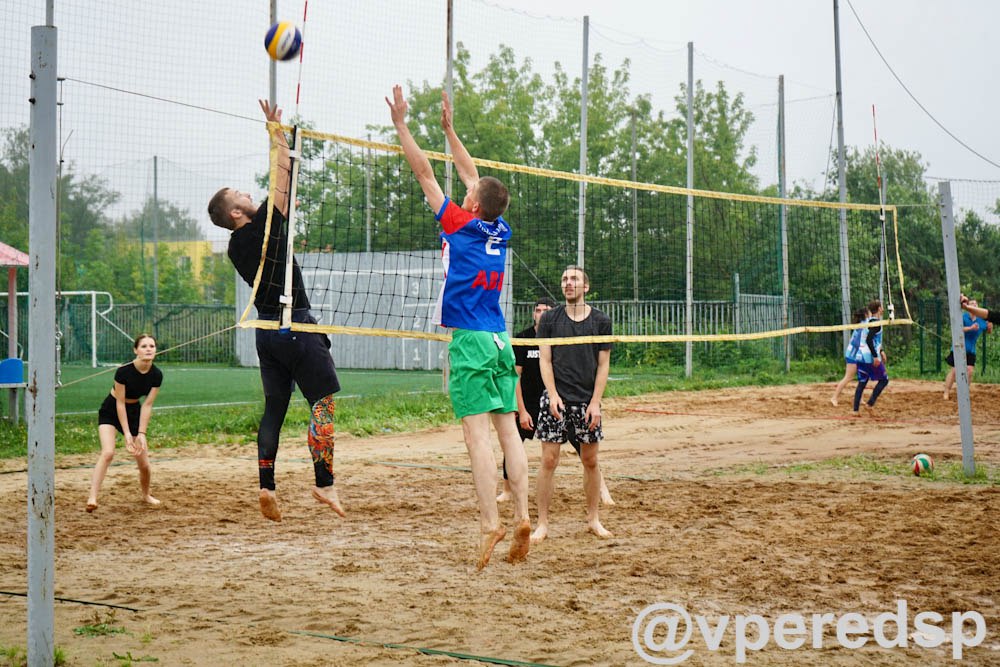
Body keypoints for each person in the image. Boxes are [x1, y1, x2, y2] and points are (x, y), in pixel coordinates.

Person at [387, 85, 531, 568]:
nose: (466, 189)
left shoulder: (458, 223)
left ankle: (491, 523)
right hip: (500, 337)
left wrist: (402, 125)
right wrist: (449, 131)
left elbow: (424, 173)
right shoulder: (499, 228)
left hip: (470, 339)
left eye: (469, 193)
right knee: (508, 432)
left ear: (472, 205)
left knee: (476, 438)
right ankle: (523, 515)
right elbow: (474, 176)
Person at [208, 99, 343, 522]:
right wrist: (276, 132)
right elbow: (284, 175)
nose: (249, 194)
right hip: (296, 325)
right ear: (236, 212)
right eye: (241, 195)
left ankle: (266, 486)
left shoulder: (234, 247)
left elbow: (281, 186)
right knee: (321, 404)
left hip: (266, 333)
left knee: (274, 411)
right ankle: (324, 483)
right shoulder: (264, 224)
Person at [531, 265, 614, 544]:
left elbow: (603, 365)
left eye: (574, 279)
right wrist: (552, 394)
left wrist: (595, 402)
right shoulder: (550, 319)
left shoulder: (601, 320)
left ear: (585, 287)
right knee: (548, 460)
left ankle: (593, 520)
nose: (568, 283)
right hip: (557, 399)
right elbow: (545, 360)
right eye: (564, 279)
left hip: (587, 401)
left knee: (590, 460)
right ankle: (542, 524)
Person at [86, 333, 163, 512]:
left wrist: (141, 433)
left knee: (144, 463)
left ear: (156, 350)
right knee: (108, 453)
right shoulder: (123, 371)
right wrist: (127, 434)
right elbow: (120, 403)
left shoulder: (157, 375)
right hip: (112, 409)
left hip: (134, 411)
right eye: (144, 346)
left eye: (151, 346)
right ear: (136, 350)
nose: (148, 349)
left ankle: (146, 495)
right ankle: (92, 497)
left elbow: (147, 405)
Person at [944, 298, 989, 399]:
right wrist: (971, 328)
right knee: (954, 370)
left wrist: (990, 326)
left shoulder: (981, 320)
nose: (974, 305)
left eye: (975, 304)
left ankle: (964, 393)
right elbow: (957, 329)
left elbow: (988, 329)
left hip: (970, 349)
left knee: (970, 370)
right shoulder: (963, 316)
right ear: (968, 306)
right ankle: (946, 392)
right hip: (958, 347)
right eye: (972, 303)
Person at [854, 300, 889, 415]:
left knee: (862, 382)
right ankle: (870, 404)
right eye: (882, 307)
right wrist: (875, 356)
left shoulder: (867, 321)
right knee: (884, 380)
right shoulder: (876, 323)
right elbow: (869, 339)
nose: (883, 309)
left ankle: (855, 410)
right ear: (879, 309)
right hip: (869, 358)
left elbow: (872, 339)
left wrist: (881, 351)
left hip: (860, 356)